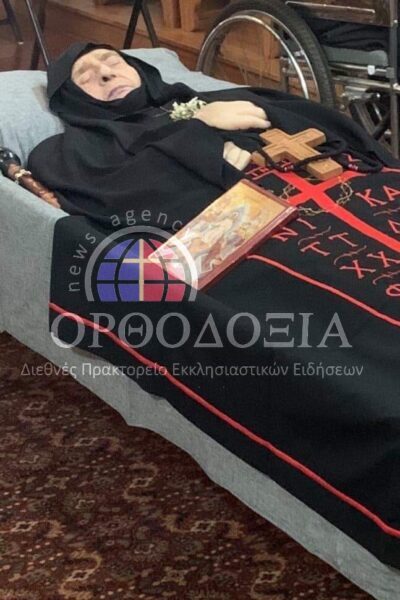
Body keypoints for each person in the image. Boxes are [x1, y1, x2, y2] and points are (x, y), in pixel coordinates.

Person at [28, 42, 398, 231]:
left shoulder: (212, 99)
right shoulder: (75, 150)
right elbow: (126, 196)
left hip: (340, 187)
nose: (106, 74)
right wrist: (197, 131)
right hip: (256, 229)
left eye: (112, 62)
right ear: (71, 99)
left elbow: (312, 122)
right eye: (86, 77)